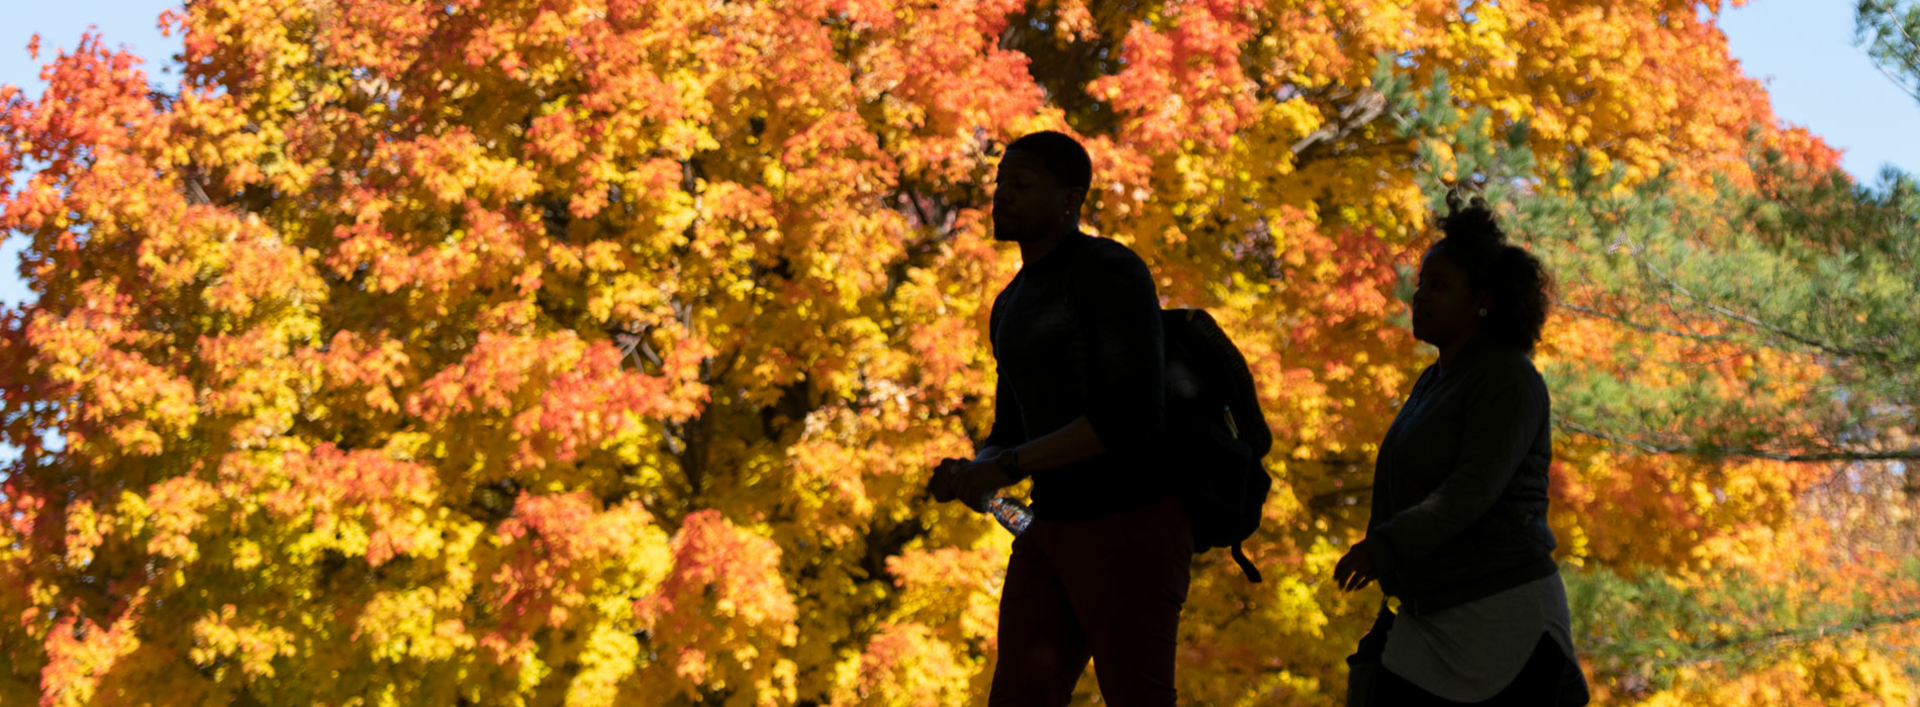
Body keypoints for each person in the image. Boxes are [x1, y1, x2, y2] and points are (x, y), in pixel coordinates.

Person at [926, 130, 1188, 707]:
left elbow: (1131, 417)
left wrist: (1009, 465)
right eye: (999, 185)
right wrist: (977, 469)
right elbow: (1010, 430)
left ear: (1071, 198)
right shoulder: (1012, 301)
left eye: (1021, 184)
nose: (1002, 197)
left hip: (1131, 524)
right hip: (1048, 530)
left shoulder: (1108, 270)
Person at [1333, 194, 1590, 705]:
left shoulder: (1507, 378)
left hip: (1500, 620)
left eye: (1440, 286)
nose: (1421, 297)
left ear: (1484, 300)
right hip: (1429, 617)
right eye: (1422, 284)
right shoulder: (1436, 380)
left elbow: (1471, 490)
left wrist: (1386, 546)